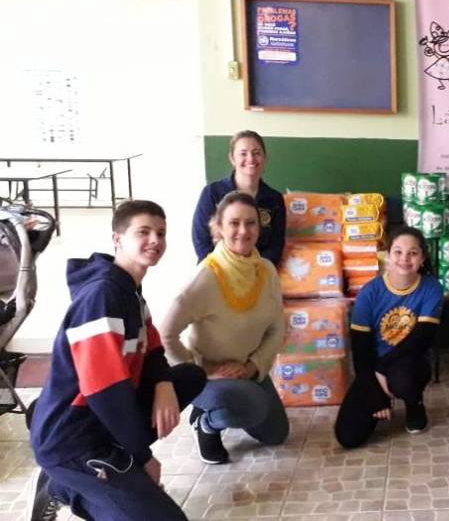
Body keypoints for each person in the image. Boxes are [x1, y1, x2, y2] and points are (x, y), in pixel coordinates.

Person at [26, 200, 206, 521]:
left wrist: (163, 383)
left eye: (161, 233)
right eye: (143, 232)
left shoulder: (130, 290)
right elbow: (105, 391)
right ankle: (64, 486)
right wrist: (142, 456)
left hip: (99, 421)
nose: (155, 240)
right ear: (117, 239)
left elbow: (152, 347)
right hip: (74, 440)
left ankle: (81, 483)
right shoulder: (102, 296)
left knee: (189, 377)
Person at [161, 192, 288, 465]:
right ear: (218, 227)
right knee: (253, 404)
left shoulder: (266, 271)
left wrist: (252, 367)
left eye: (251, 223)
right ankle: (207, 424)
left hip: (246, 368)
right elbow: (165, 334)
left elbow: (277, 328)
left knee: (276, 433)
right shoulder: (206, 276)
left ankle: (232, 405)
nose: (243, 231)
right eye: (234, 223)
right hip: (211, 377)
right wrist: (200, 371)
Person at [334, 226, 443, 448]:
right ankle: (384, 395)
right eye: (398, 252)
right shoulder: (369, 292)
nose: (405, 259)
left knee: (404, 378)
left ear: (422, 258)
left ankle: (414, 403)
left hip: (410, 362)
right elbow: (361, 348)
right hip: (373, 365)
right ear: (387, 255)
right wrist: (373, 389)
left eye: (413, 253)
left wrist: (382, 370)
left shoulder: (432, 288)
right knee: (348, 436)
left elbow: (422, 339)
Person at [192, 130, 286, 266]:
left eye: (256, 153)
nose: (250, 158)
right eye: (243, 153)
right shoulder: (212, 193)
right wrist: (227, 270)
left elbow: (275, 247)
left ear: (264, 158)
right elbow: (201, 242)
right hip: (217, 270)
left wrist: (252, 270)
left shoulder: (275, 199)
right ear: (232, 158)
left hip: (257, 272)